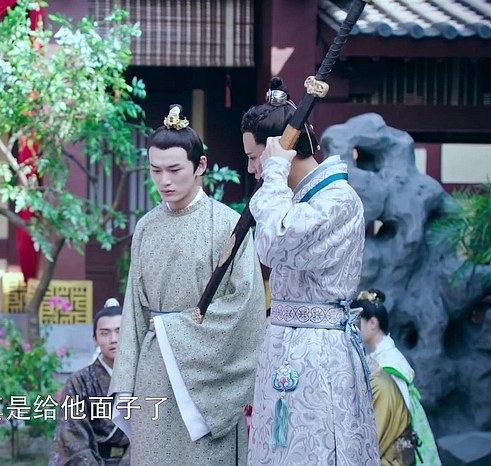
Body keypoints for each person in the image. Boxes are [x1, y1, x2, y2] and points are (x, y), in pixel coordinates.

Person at [108, 105, 266, 464]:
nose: (165, 180)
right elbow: (134, 309)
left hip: (209, 379)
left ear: (200, 166)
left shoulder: (228, 225)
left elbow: (246, 307)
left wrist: (173, 329)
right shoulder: (146, 227)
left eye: (175, 169)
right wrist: (125, 383)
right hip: (154, 370)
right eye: (156, 170)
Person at [243, 77, 379, 464]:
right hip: (285, 346)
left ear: (280, 151)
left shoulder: (337, 201)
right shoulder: (297, 200)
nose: (253, 169)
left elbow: (273, 242)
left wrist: (274, 172)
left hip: (318, 354)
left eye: (255, 157)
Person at [354, 289, 440, 466]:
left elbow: (398, 412)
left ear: (373, 323)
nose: (354, 327)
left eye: (357, 321)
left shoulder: (389, 363)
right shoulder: (382, 358)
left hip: (395, 447)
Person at [50, 298, 130, 466]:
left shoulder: (144, 378)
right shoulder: (79, 382)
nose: (114, 339)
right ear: (95, 338)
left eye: (120, 331)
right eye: (105, 333)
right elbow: (72, 436)